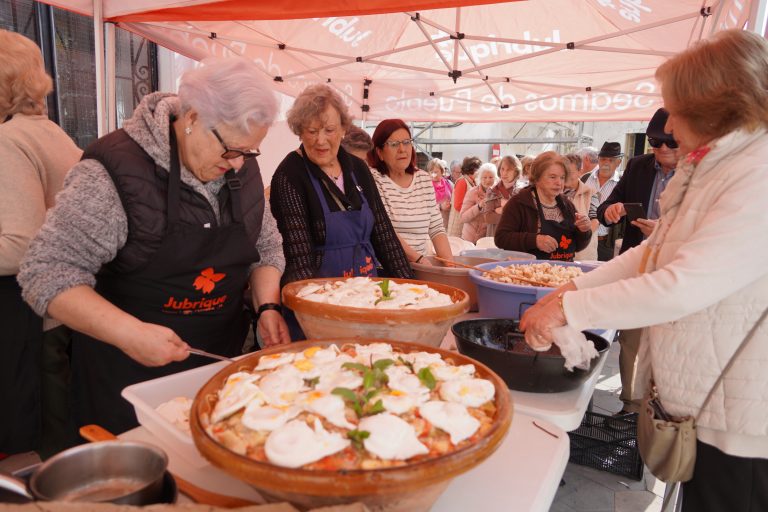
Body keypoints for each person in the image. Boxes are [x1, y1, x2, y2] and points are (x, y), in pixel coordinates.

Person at [520, 29, 768, 512]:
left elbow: (681, 285)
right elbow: (652, 253)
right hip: (711, 399)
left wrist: (569, 306)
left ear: (714, 105)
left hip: (742, 416)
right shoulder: (718, 165)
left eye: (675, 108)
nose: (670, 123)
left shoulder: (756, 173)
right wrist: (569, 289)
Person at [18, 58, 290, 436]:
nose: (239, 164)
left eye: (250, 152)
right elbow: (45, 272)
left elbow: (266, 245)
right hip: (126, 381)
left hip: (219, 369)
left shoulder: (239, 164)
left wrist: (268, 307)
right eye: (231, 150)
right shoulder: (113, 172)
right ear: (193, 117)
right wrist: (129, 333)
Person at [270, 86, 413, 339]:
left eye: (329, 130)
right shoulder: (289, 176)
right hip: (316, 307)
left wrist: (412, 293)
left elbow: (383, 235)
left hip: (366, 299)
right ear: (299, 131)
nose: (320, 140)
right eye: (311, 131)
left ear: (344, 129)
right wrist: (321, 315)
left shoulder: (357, 168)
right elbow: (298, 258)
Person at [0, 30, 82, 456]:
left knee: (42, 444)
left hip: (33, 317)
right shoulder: (51, 132)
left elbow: (21, 243)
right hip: (63, 310)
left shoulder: (8, 141)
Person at [595, 108, 679, 414]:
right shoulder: (639, 166)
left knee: (667, 343)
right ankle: (630, 405)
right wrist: (612, 210)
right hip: (637, 266)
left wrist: (666, 232)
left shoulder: (700, 172)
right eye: (656, 143)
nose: (663, 149)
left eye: (671, 143)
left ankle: (661, 408)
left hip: (676, 270)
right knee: (631, 340)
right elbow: (604, 207)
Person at [368, 119, 452, 263]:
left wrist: (449, 264)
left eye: (406, 142)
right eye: (393, 144)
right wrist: (417, 259)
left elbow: (436, 228)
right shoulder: (372, 179)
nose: (402, 149)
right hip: (386, 268)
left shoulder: (423, 179)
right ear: (379, 152)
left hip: (421, 267)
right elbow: (383, 229)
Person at [494, 151, 591, 260]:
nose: (559, 183)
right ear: (537, 178)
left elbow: (578, 246)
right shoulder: (519, 203)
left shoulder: (567, 205)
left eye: (562, 177)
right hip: (531, 273)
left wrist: (584, 231)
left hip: (564, 273)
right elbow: (501, 238)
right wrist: (534, 240)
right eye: (553, 177)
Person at [584, 142, 622, 261]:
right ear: (599, 160)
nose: (606, 163)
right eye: (603, 159)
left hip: (607, 243)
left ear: (618, 162)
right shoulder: (585, 179)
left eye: (611, 160)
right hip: (585, 240)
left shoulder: (622, 183)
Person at [562, 153, 598, 261]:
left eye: (570, 172)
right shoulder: (555, 193)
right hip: (560, 253)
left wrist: (580, 239)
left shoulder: (591, 193)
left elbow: (595, 221)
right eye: (563, 171)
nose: (566, 175)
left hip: (583, 254)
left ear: (580, 172)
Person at [460, 162, 498, 243]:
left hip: (486, 240)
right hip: (469, 239)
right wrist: (479, 206)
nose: (488, 180)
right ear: (480, 178)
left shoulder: (498, 195)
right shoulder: (472, 192)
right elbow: (463, 217)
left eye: (491, 177)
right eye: (484, 177)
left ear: (495, 178)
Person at [485, 155, 522, 237]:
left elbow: (522, 218)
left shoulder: (522, 192)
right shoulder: (492, 191)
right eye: (502, 169)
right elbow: (488, 218)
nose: (504, 173)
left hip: (514, 237)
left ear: (516, 171)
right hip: (494, 236)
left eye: (509, 170)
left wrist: (502, 210)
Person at [446, 156, 481, 237]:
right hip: (458, 225)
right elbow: (458, 205)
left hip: (465, 224)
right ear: (473, 170)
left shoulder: (472, 182)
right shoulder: (462, 181)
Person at [427, 158, 453, 227]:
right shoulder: (426, 185)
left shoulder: (449, 183)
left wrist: (450, 204)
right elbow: (424, 205)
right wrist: (440, 206)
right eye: (431, 172)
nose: (433, 174)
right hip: (432, 223)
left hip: (447, 222)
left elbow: (453, 198)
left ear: (441, 171)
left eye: (436, 172)